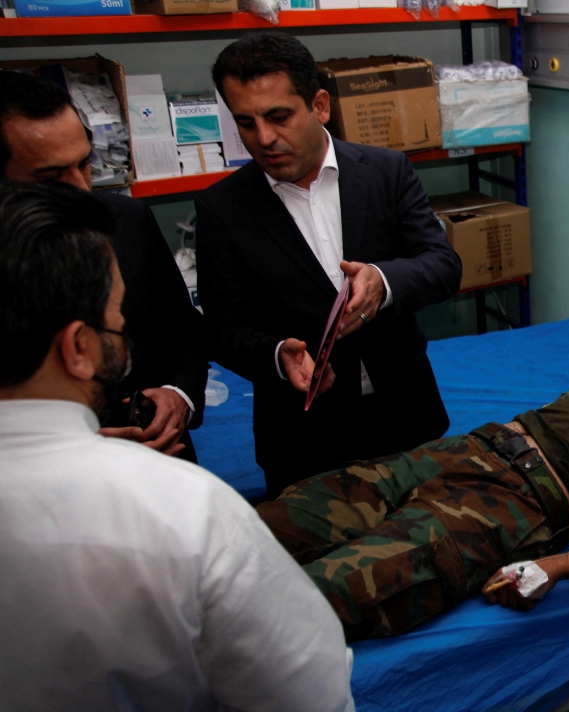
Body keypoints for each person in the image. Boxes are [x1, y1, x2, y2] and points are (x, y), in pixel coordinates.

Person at [0, 181, 354, 711]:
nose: (123, 330)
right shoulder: (184, 514)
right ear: (78, 348)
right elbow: (311, 693)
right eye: (117, 321)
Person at [258, 349, 569, 641]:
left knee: (324, 594)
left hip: (512, 504)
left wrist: (558, 567)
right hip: (467, 446)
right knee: (280, 519)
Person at [196, 33, 462, 497]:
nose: (264, 138)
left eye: (279, 117)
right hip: (301, 440)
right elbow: (222, 327)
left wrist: (383, 280)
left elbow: (443, 265)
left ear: (320, 106)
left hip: (406, 417)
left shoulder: (386, 171)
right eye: (246, 122)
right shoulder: (223, 208)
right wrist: (278, 354)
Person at [0, 69, 207, 462]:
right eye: (52, 177)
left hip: (159, 460)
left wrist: (178, 396)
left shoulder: (129, 221)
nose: (81, 189)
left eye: (85, 165)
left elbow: (184, 330)